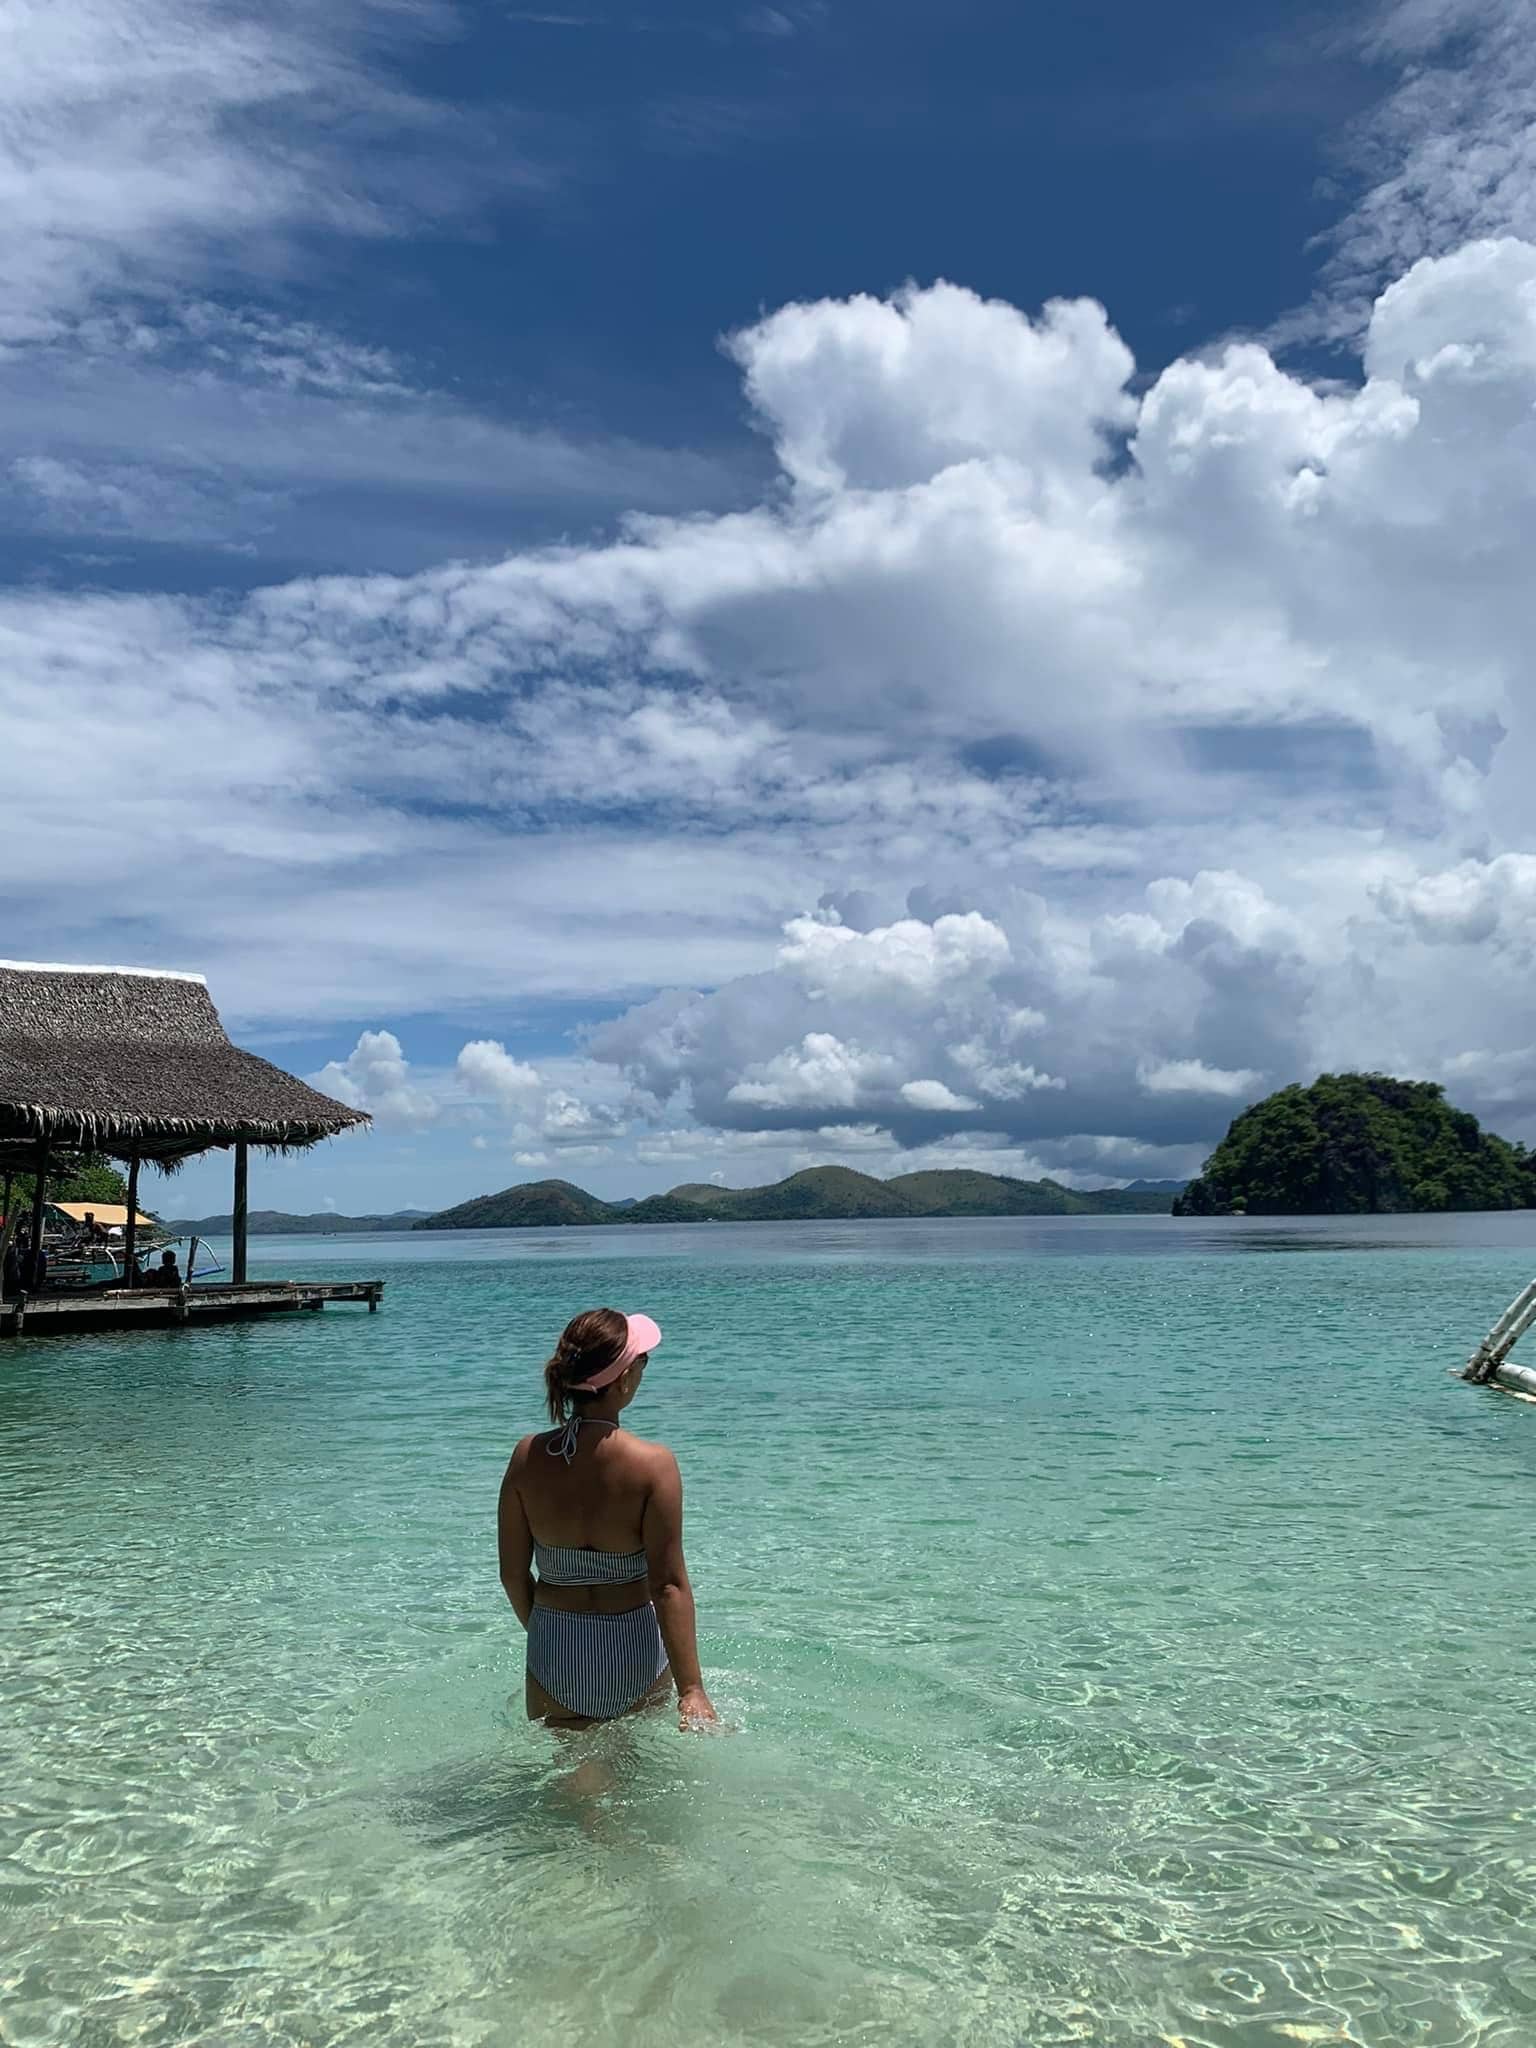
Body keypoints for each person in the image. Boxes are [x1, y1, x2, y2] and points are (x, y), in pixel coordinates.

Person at [498, 1308, 717, 1733]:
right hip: (631, 1646)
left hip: (554, 1649)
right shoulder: (653, 1466)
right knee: (639, 1782)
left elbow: (512, 1575)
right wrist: (692, 1688)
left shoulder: (528, 1457)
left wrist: (549, 1634)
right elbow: (668, 1585)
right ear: (623, 1380)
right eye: (641, 1361)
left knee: (570, 1787)